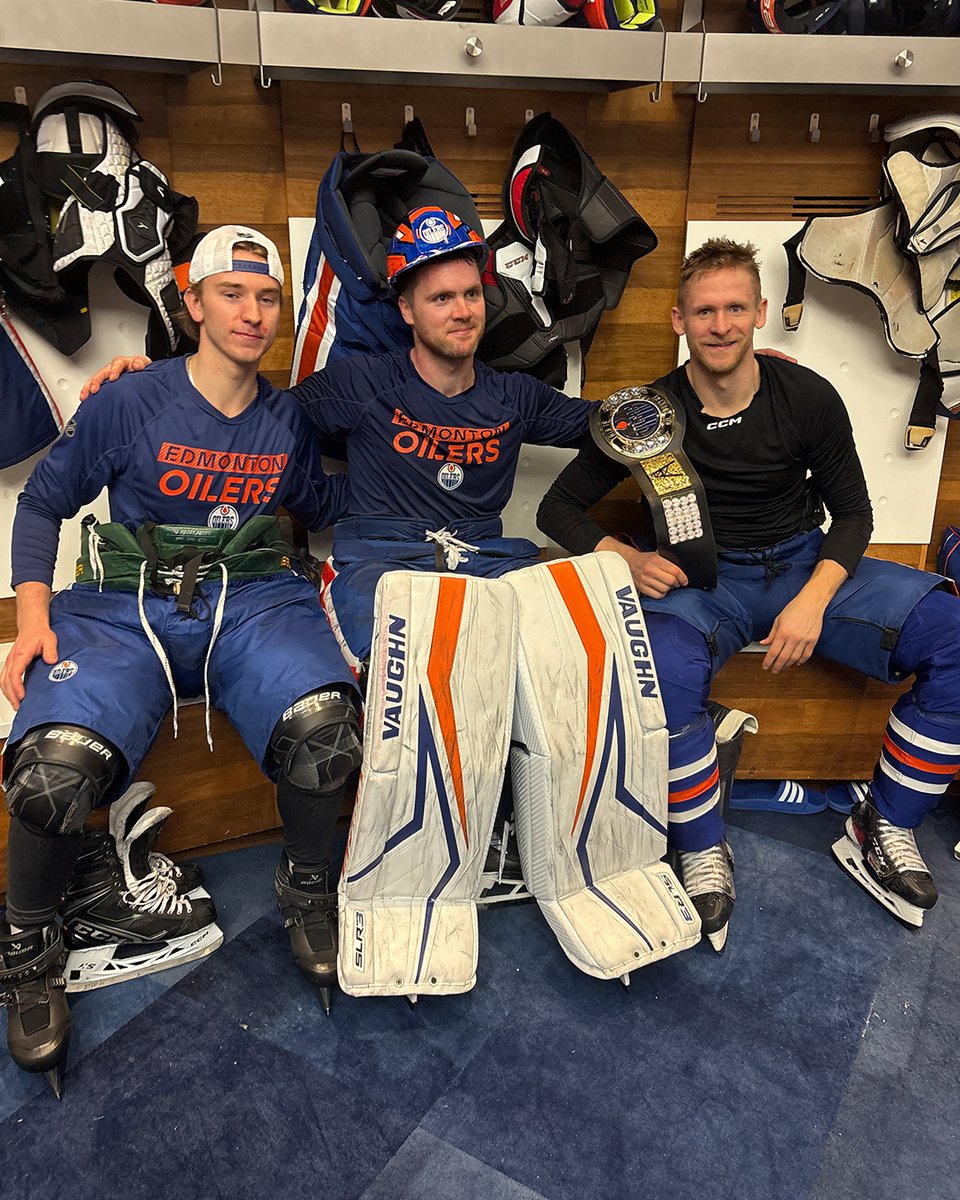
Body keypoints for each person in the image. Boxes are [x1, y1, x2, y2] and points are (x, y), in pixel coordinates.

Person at [0, 227, 361, 1096]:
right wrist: (32, 619)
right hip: (129, 604)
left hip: (252, 601)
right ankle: (27, 946)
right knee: (50, 775)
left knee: (327, 735)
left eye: (266, 295)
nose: (251, 311)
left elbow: (328, 500)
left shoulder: (288, 419)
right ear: (192, 303)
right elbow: (45, 504)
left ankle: (307, 884)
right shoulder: (128, 401)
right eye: (230, 293)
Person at [537, 236, 960, 946]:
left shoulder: (807, 396)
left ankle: (883, 823)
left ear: (761, 311)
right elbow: (557, 510)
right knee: (661, 669)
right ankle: (702, 846)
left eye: (736, 307)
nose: (722, 324)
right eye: (705, 311)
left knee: (953, 635)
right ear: (679, 321)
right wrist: (621, 557)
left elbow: (853, 514)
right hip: (706, 583)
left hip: (804, 567)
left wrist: (813, 598)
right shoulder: (646, 414)